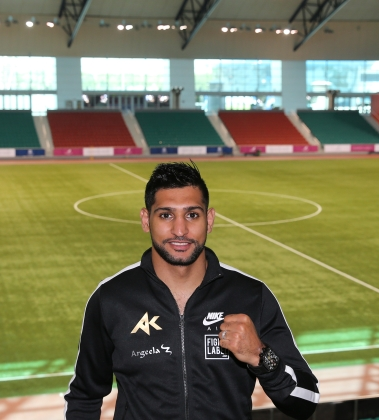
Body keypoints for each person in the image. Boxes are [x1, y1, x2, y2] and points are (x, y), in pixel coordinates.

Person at [64, 162, 319, 420]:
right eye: (166, 215)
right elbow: (84, 397)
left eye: (192, 215)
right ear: (146, 220)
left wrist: (260, 356)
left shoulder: (251, 295)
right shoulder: (112, 298)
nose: (180, 230)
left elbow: (306, 401)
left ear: (209, 220)